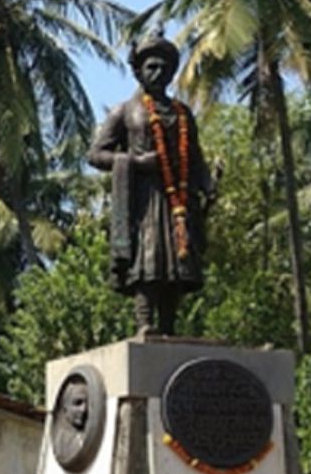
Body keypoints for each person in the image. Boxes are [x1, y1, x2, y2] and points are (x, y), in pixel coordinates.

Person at [88, 30, 217, 336]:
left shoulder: (183, 114)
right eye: (151, 67)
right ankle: (145, 323)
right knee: (148, 262)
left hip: (179, 201)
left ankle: (169, 326)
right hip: (143, 200)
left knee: (176, 265)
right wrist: (134, 162)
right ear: (139, 72)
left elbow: (195, 159)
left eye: (164, 68)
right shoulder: (126, 111)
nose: (158, 73)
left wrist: (207, 183)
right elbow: (95, 154)